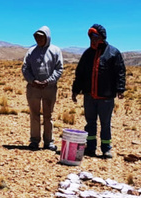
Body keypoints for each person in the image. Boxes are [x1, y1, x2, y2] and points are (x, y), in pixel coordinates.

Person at [72, 24, 126, 159]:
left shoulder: (113, 52)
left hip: (106, 96)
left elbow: (120, 72)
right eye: (91, 37)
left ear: (102, 37)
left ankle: (106, 148)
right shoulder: (87, 54)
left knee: (105, 123)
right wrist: (75, 90)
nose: (92, 39)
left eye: (95, 36)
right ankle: (90, 147)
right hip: (89, 95)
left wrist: (120, 89)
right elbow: (80, 73)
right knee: (90, 122)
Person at [22, 26, 63, 151]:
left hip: (49, 88)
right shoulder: (31, 51)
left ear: (47, 37)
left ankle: (48, 141)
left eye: (41, 37)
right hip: (33, 88)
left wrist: (49, 81)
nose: (39, 39)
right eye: (37, 37)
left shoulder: (55, 51)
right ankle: (34, 140)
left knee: (48, 115)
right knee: (34, 114)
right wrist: (32, 81)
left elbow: (59, 68)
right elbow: (25, 68)